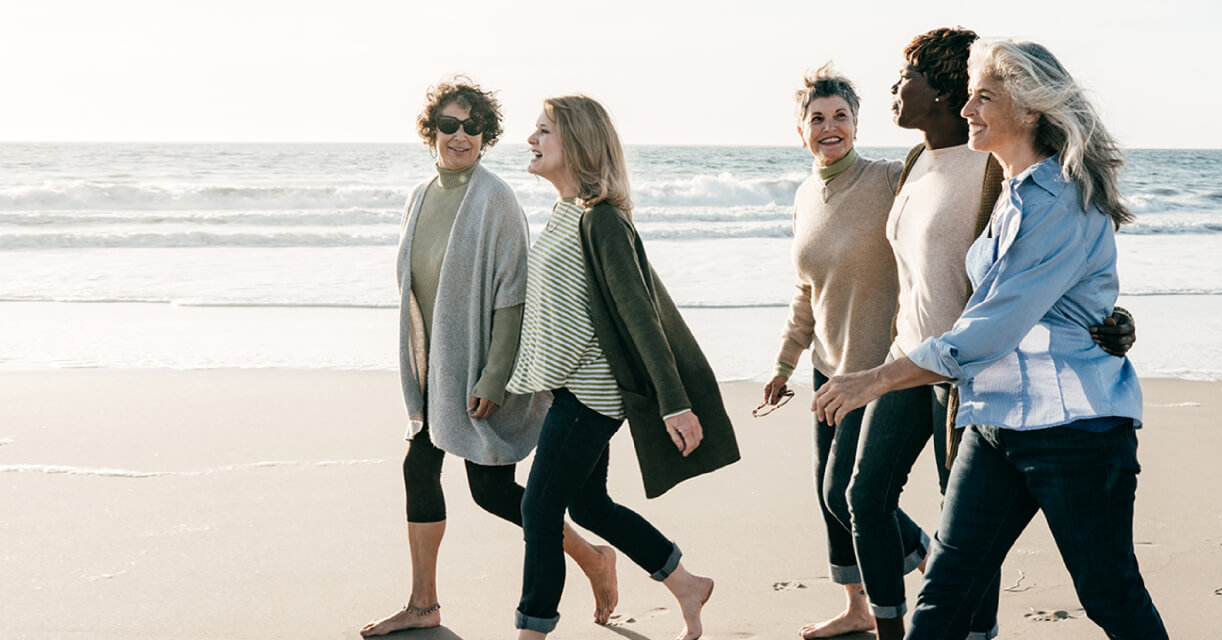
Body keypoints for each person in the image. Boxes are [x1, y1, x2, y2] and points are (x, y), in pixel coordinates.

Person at [814, 39, 1170, 640]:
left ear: (1029, 110)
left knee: (1110, 595)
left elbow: (994, 325)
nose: (967, 108)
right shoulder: (1010, 190)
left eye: (983, 97)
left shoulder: (1058, 200)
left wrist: (873, 379)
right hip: (994, 419)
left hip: (1073, 433)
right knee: (944, 594)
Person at [365, 77, 618, 638]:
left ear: (486, 135)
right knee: (418, 466)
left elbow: (513, 298)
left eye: (473, 126)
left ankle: (592, 557)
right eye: (449, 124)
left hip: (480, 371)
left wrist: (495, 377)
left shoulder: (495, 199)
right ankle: (423, 604)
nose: (461, 135)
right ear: (431, 131)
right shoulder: (419, 197)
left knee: (492, 491)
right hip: (433, 368)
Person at [508, 94, 740, 640]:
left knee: (539, 510)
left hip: (592, 396)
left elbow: (642, 317)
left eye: (544, 131)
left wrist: (675, 402)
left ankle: (530, 631)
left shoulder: (604, 220)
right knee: (589, 506)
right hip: (571, 392)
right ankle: (686, 583)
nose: (531, 139)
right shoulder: (566, 213)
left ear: (578, 144)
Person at [762, 63, 929, 639]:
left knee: (846, 493)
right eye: (817, 119)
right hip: (826, 367)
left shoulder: (889, 179)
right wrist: (785, 361)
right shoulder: (805, 195)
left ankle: (926, 557)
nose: (829, 127)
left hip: (881, 370)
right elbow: (807, 289)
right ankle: (857, 607)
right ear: (801, 131)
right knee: (826, 492)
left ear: (857, 124)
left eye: (840, 116)